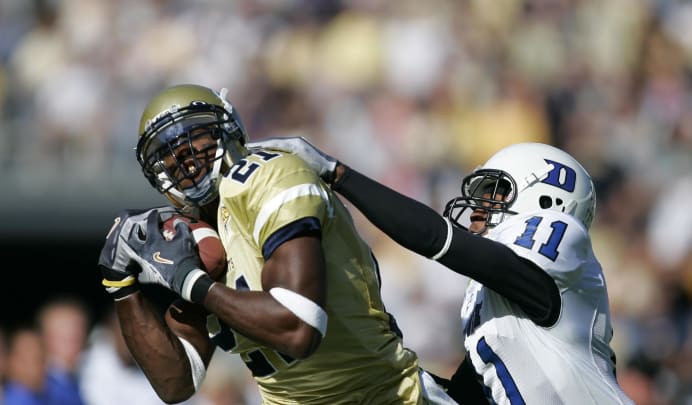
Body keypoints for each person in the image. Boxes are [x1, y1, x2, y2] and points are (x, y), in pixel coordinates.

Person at [97, 84, 455, 404]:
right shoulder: (194, 237)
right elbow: (176, 383)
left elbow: (300, 328)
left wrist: (192, 283)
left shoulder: (269, 176)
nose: (187, 160)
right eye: (171, 156)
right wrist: (121, 286)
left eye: (196, 142)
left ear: (229, 131)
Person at [252, 136, 636, 404]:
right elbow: (466, 396)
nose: (477, 209)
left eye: (494, 193)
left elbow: (442, 241)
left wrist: (339, 175)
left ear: (548, 195)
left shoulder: (562, 235)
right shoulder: (498, 307)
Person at [36, 296, 90, 405]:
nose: (75, 334)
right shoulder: (40, 386)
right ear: (45, 337)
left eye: (79, 328)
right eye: (63, 330)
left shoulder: (84, 376)